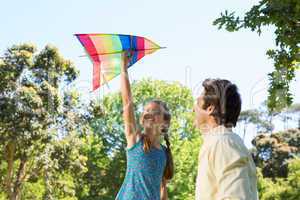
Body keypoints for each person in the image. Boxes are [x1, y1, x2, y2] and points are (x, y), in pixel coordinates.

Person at [115, 52, 174, 200]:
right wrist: (123, 67)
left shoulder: (164, 153)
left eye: (155, 112)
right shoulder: (135, 141)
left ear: (165, 123)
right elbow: (127, 103)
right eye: (147, 110)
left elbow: (162, 189)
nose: (149, 114)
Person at [193, 78, 258, 200]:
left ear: (210, 108)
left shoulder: (222, 142)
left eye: (197, 102)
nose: (193, 109)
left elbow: (236, 197)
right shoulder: (220, 141)